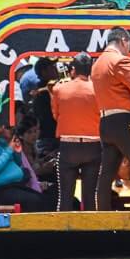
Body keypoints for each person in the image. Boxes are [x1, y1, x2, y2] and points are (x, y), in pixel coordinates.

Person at [92, 27, 130, 211]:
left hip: (105, 122)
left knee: (107, 173)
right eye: (129, 45)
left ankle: (101, 213)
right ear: (123, 40)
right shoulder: (120, 61)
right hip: (124, 122)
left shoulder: (97, 64)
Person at [51, 52, 102, 211]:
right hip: (93, 145)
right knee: (90, 195)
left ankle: (65, 232)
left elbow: (55, 115)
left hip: (68, 146)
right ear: (91, 70)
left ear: (73, 69)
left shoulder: (59, 88)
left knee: (65, 196)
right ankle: (90, 231)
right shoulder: (99, 90)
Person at [0, 122, 49, 211]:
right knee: (35, 201)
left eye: (1, 126)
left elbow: (17, 163)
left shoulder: (0, 141)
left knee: (43, 198)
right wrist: (9, 149)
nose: (1, 129)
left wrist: (16, 150)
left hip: (12, 186)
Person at [30, 58, 59, 157]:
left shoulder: (49, 88)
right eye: (52, 67)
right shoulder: (43, 91)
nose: (55, 69)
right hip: (49, 137)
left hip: (51, 135)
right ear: (44, 72)